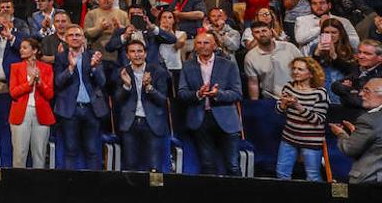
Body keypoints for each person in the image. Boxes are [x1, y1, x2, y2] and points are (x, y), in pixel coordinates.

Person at [177, 32, 244, 176]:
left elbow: (237, 93)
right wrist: (198, 94)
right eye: (199, 43)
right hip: (200, 119)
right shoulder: (188, 66)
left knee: (232, 165)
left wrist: (218, 94)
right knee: (207, 165)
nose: (202, 46)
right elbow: (182, 93)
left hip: (226, 119)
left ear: (214, 45)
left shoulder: (228, 65)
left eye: (206, 43)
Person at [53, 24, 108, 170]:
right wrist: (70, 68)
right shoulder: (60, 58)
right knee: (70, 151)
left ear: (83, 38)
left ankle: (93, 187)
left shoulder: (93, 56)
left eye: (78, 35)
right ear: (65, 39)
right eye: (71, 35)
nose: (75, 38)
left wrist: (95, 67)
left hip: (91, 109)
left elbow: (102, 82)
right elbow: (58, 82)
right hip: (70, 110)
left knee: (92, 151)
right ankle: (71, 187)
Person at [114, 38, 171, 172]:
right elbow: (117, 100)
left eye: (140, 51)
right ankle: (133, 192)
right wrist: (126, 85)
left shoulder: (158, 71)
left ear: (145, 54)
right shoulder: (122, 72)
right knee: (130, 165)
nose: (137, 54)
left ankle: (155, 192)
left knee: (154, 167)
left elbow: (163, 100)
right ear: (127, 55)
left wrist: (149, 88)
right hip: (130, 123)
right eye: (132, 52)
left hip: (152, 123)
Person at [274, 57, 328, 181]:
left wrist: (298, 106)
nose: (296, 72)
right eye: (294, 68)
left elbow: (318, 120)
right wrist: (283, 104)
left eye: (300, 69)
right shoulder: (289, 87)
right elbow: (278, 111)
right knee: (282, 174)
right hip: (289, 137)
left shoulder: (320, 93)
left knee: (313, 176)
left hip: (311, 140)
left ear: (310, 73)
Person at [7, 37, 54, 168]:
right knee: (19, 154)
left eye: (25, 47)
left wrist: (39, 82)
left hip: (41, 114)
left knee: (39, 154)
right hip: (21, 113)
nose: (21, 50)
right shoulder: (15, 68)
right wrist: (29, 83)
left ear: (34, 50)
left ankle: (38, 185)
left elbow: (49, 94)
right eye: (21, 47)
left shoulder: (46, 68)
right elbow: (13, 92)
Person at [243, 21, 304, 99]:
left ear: (271, 32)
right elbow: (253, 83)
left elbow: (305, 68)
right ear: (253, 35)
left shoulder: (289, 47)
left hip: (296, 95)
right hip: (271, 98)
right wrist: (255, 104)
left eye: (264, 31)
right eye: (257, 32)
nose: (261, 34)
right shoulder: (250, 57)